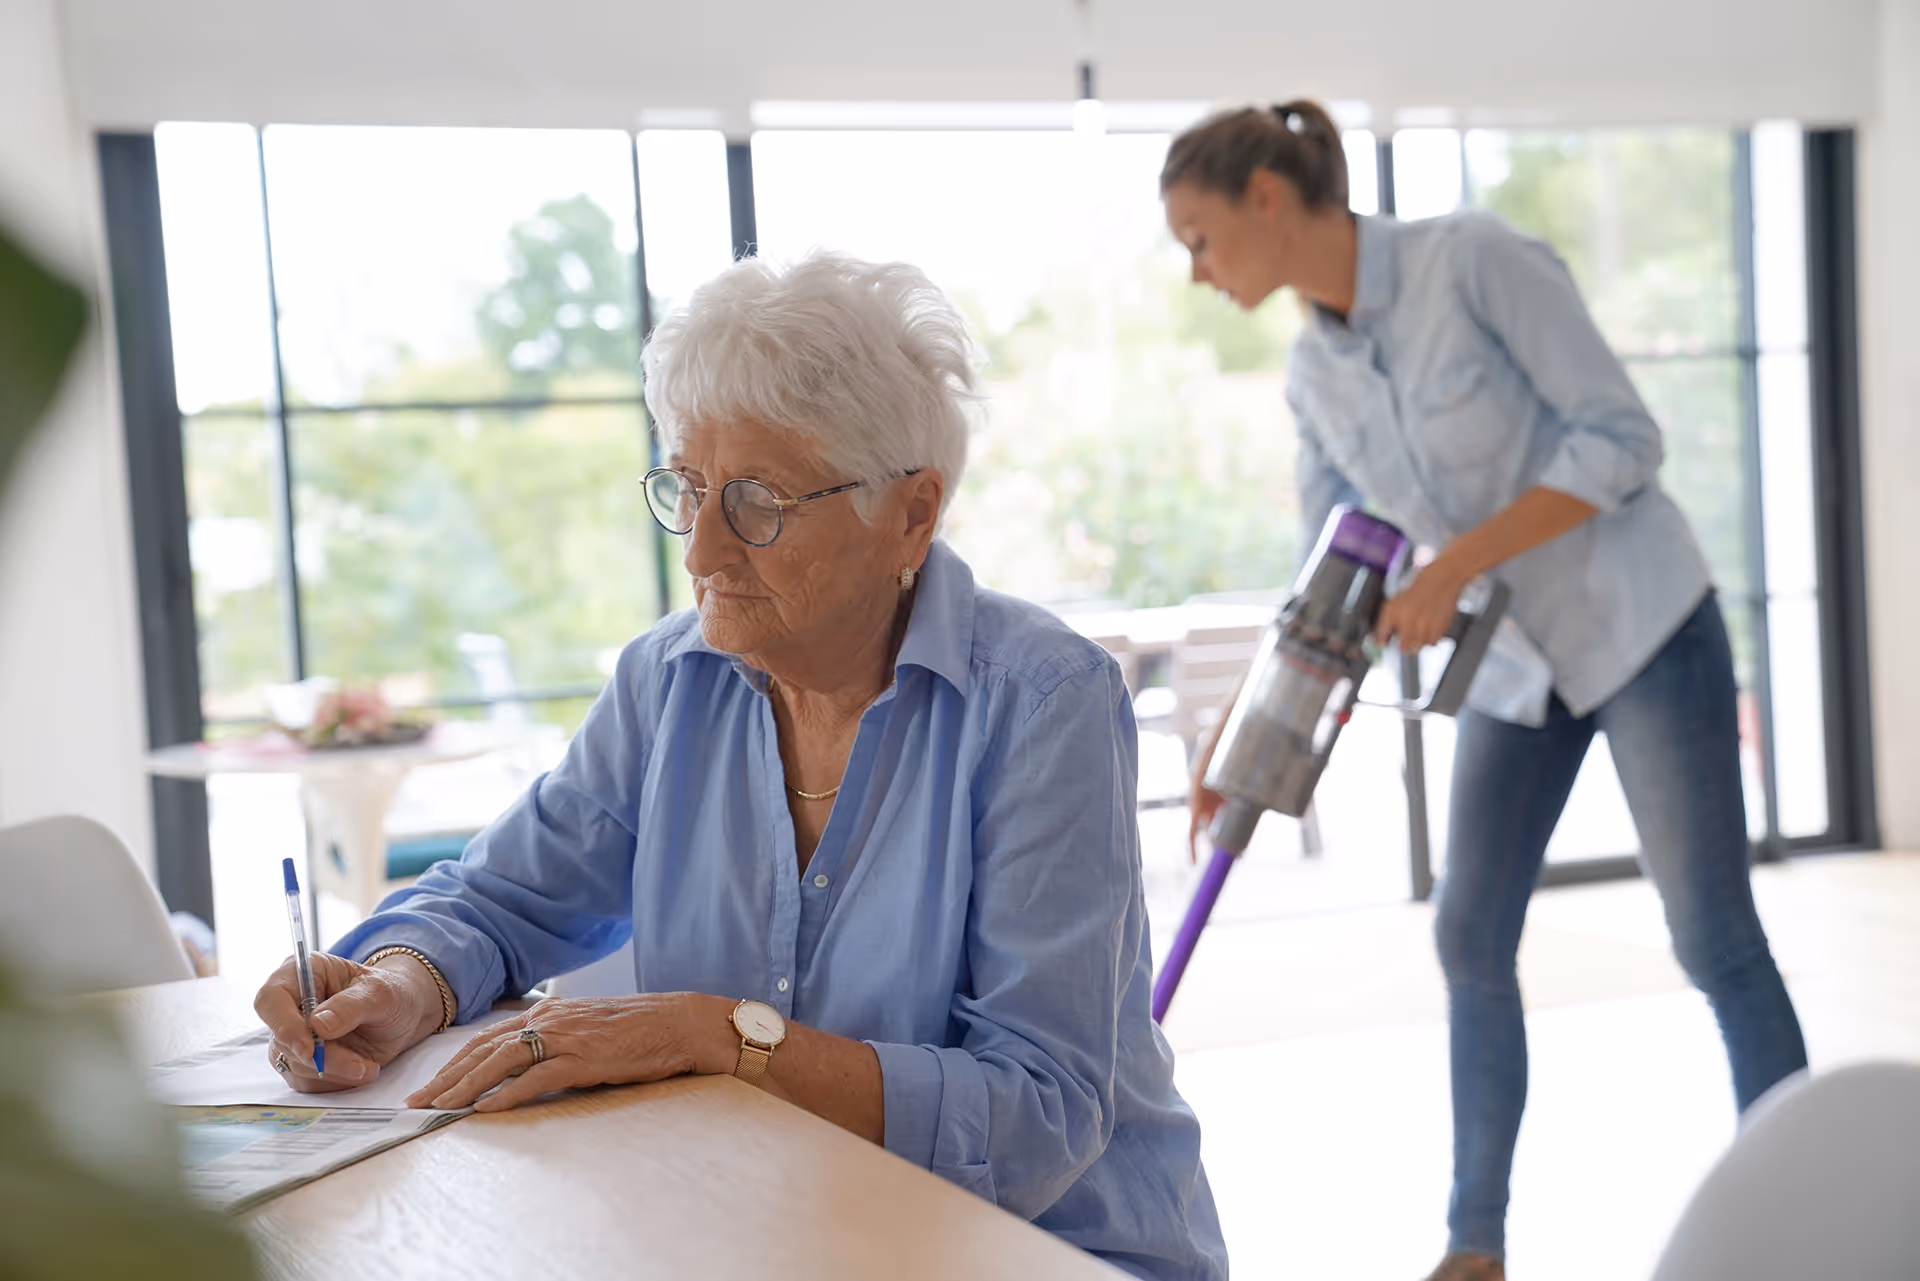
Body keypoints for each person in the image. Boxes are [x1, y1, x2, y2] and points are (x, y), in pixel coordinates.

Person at [252, 251, 1227, 1281]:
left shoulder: (1043, 701)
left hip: (1044, 1251)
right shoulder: (671, 680)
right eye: (689, 487)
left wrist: (728, 1039)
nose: (702, 554)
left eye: (758, 502)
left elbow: (1039, 1113)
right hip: (767, 1225)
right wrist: (399, 986)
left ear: (910, 513)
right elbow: (500, 900)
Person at [1161, 101, 1807, 1280]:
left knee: (1713, 936)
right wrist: (1241, 751)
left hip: (1642, 625)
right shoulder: (1315, 376)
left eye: (1199, 238)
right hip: (1518, 675)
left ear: (1266, 194)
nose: (1197, 273)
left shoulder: (1473, 263)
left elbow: (1623, 439)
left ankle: (1812, 1208)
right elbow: (1331, 584)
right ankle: (1476, 1246)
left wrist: (1454, 562)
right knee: (1470, 934)